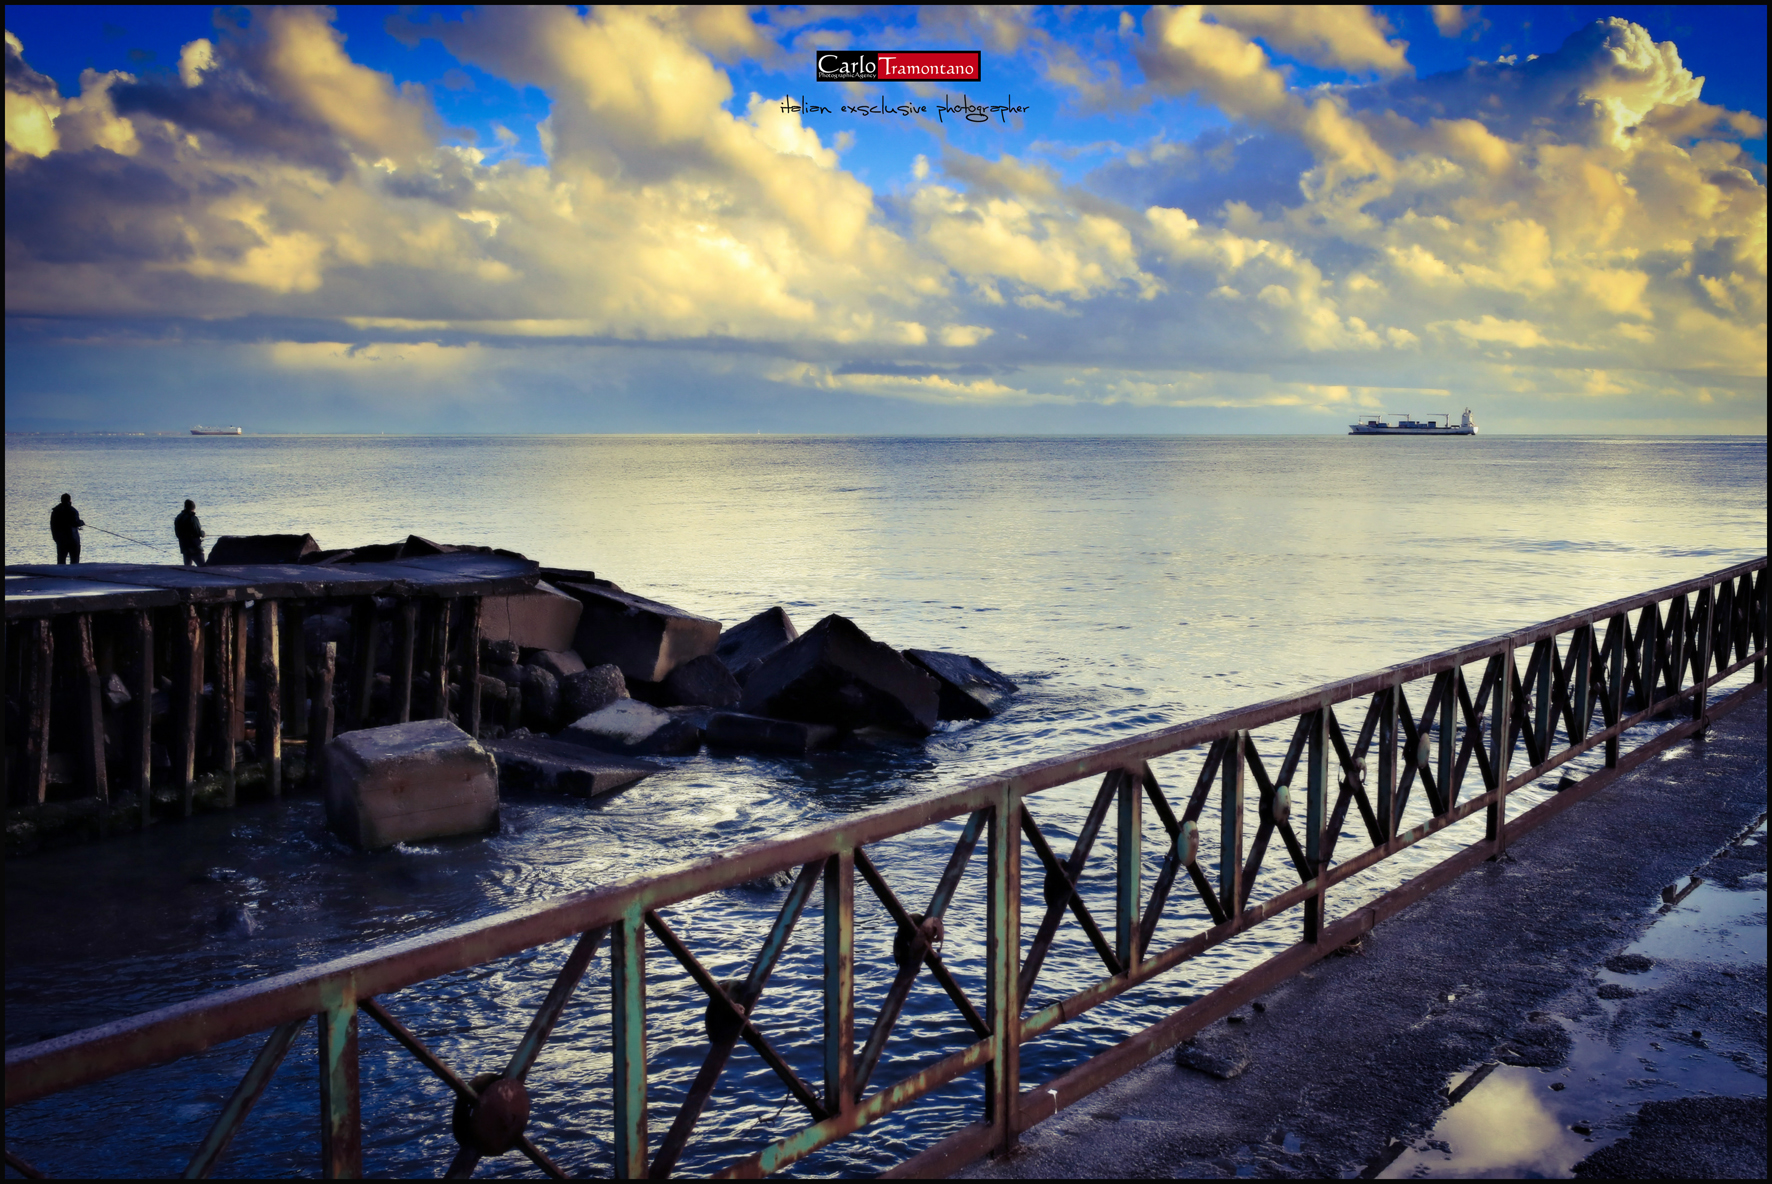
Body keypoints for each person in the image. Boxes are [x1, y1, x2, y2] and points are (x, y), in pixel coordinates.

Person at [50, 493, 84, 564]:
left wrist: (56, 538)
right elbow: (75, 522)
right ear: (69, 500)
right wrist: (81, 523)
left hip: (60, 540)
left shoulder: (55, 511)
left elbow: (52, 525)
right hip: (73, 540)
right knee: (74, 560)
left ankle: (60, 573)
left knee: (61, 560)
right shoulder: (72, 511)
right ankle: (73, 573)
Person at [174, 499, 206, 566]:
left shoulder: (179, 517)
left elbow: (177, 533)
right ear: (193, 507)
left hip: (183, 545)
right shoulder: (192, 518)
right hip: (194, 546)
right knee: (202, 566)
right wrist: (202, 533)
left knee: (187, 567)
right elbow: (197, 532)